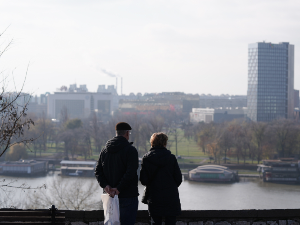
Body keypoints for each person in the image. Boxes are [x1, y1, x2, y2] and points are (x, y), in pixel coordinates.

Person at [95, 122, 139, 225]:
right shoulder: (131, 151)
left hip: (109, 196)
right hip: (128, 195)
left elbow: (98, 171)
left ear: (116, 133)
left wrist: (106, 186)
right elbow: (131, 173)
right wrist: (119, 188)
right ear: (127, 133)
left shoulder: (104, 151)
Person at [140, 132, 182, 225]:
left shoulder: (146, 159)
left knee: (155, 222)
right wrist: (170, 186)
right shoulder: (171, 158)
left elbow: (143, 180)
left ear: (152, 143)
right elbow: (178, 179)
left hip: (154, 198)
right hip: (171, 197)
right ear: (165, 143)